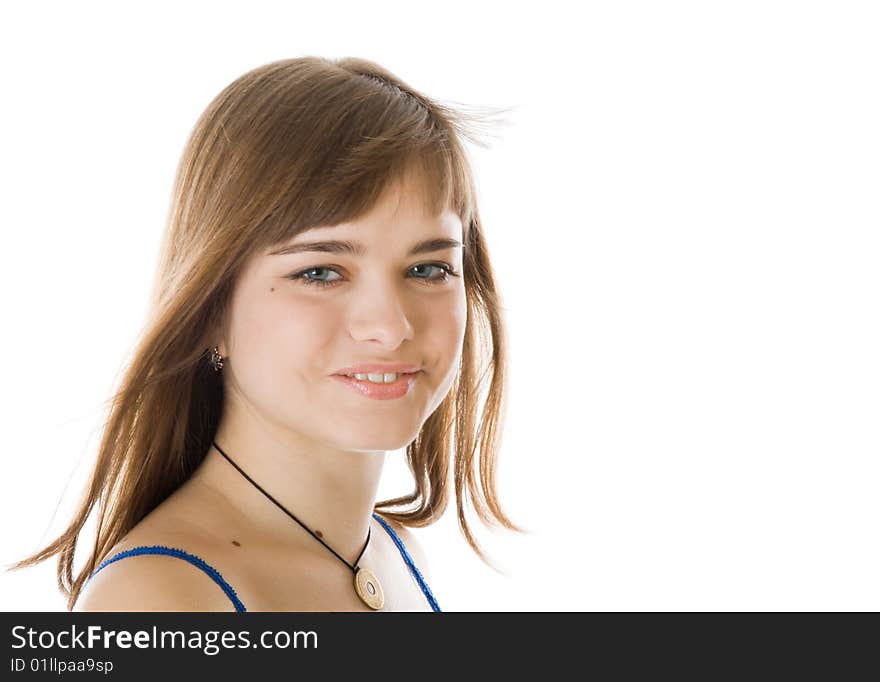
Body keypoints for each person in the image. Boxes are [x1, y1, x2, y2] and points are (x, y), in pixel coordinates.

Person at [12, 56, 523, 611]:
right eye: (320, 272)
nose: (389, 326)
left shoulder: (398, 554)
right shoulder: (162, 601)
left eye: (428, 269)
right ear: (210, 308)